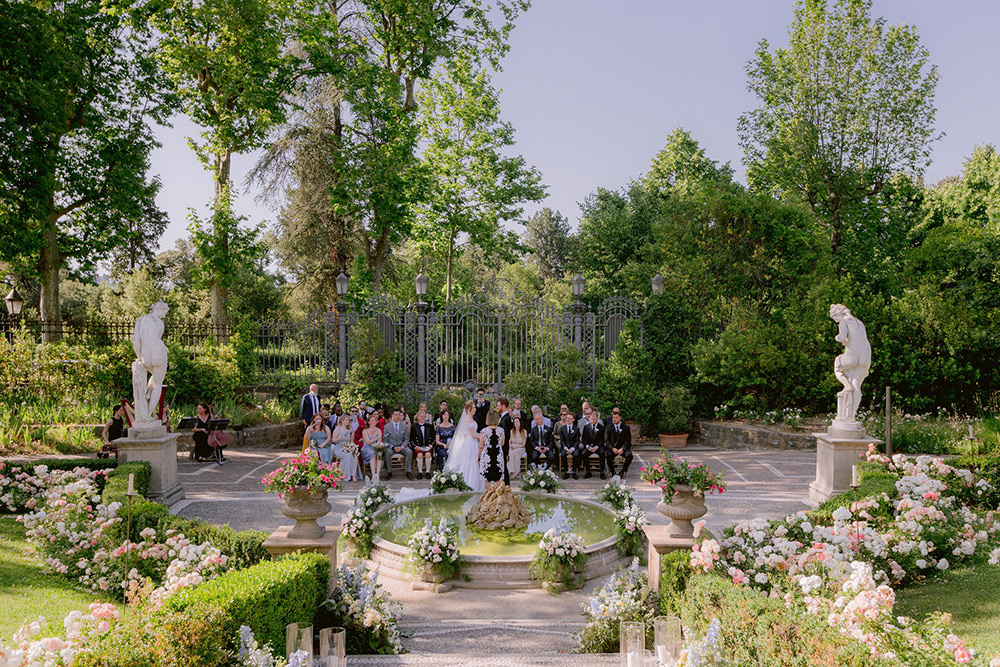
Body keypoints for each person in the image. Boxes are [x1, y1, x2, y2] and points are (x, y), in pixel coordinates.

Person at [444, 400, 485, 492]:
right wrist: (483, 435)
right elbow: (473, 435)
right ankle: (468, 484)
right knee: (470, 463)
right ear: (467, 409)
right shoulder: (468, 419)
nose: (474, 409)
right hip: (470, 443)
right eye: (472, 408)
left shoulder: (471, 418)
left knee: (473, 463)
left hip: (472, 442)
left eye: (475, 407)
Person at [382, 407, 412, 480]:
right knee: (387, 452)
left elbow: (406, 439)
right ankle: (389, 472)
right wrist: (392, 447)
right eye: (395, 415)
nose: (397, 416)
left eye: (399, 415)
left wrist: (402, 447)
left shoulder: (404, 426)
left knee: (409, 452)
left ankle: (408, 471)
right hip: (391, 447)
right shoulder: (387, 427)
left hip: (401, 446)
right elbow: (385, 441)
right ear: (392, 415)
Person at [478, 410, 506, 486]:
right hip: (498, 456)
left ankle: (487, 496)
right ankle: (497, 497)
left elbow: (481, 446)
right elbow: (503, 443)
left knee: (487, 481)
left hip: (486, 456)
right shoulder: (501, 430)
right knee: (497, 480)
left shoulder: (483, 431)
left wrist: (478, 457)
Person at [606, 408, 633, 478]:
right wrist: (612, 448)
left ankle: (622, 471)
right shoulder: (608, 427)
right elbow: (607, 440)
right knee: (608, 456)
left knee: (629, 456)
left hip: (622, 448)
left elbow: (628, 440)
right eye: (613, 418)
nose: (614, 419)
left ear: (620, 418)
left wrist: (623, 448)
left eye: (616, 418)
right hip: (613, 448)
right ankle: (613, 472)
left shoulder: (626, 427)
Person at [331, 417, 359, 481]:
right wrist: (338, 439)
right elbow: (333, 440)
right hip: (339, 448)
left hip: (347, 447)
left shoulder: (349, 430)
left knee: (354, 454)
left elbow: (352, 441)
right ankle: (344, 475)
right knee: (347, 455)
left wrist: (352, 447)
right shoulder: (337, 429)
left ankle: (353, 475)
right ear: (342, 421)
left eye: (348, 420)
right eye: (346, 420)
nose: (348, 421)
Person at [410, 410, 435, 479]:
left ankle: (427, 472)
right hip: (418, 447)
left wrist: (431, 445)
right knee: (420, 455)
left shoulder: (430, 426)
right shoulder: (414, 427)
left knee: (428, 454)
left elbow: (434, 438)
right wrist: (416, 447)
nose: (423, 417)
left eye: (424, 416)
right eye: (421, 416)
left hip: (428, 446)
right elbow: (411, 440)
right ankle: (420, 472)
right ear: (418, 417)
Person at [581, 410, 607, 479]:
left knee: (602, 453)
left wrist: (597, 447)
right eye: (591, 419)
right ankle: (588, 471)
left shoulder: (601, 428)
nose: (592, 420)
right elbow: (584, 439)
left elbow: (602, 439)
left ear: (597, 419)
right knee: (583, 453)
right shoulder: (586, 427)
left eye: (594, 419)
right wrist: (587, 446)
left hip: (598, 446)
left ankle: (602, 472)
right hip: (589, 446)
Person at [557, 411, 582, 480]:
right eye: (567, 418)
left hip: (573, 447)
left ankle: (574, 471)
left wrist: (572, 449)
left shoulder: (576, 429)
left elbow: (577, 440)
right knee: (562, 454)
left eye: (570, 418)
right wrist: (565, 448)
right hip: (565, 447)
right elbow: (562, 440)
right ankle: (566, 471)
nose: (568, 420)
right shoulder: (562, 429)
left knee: (576, 454)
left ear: (573, 419)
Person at [507, 415, 527, 479]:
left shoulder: (524, 431)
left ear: (520, 423)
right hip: (512, 447)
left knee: (513, 453)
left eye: (517, 421)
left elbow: (524, 444)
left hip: (520, 448)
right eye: (515, 422)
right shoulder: (511, 431)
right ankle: (512, 471)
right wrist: (510, 447)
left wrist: (516, 447)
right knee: (511, 453)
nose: (516, 423)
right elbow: (510, 441)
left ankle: (513, 471)